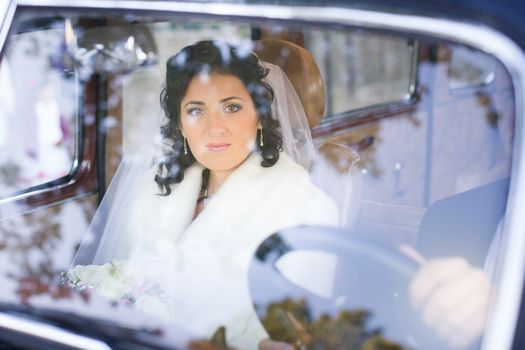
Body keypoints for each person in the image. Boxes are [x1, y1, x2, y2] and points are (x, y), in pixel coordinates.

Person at [67, 40, 339, 350]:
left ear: (260, 116)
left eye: (232, 107)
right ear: (181, 125)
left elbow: (296, 340)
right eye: (196, 110)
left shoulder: (308, 208)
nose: (215, 128)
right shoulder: (152, 189)